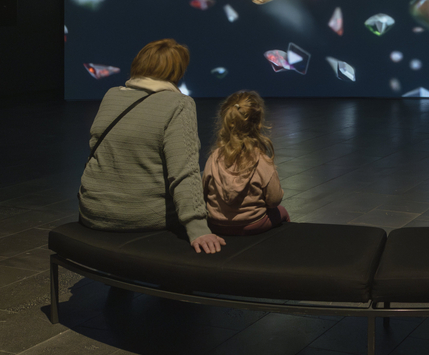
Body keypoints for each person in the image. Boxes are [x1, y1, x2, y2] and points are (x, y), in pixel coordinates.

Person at [78, 39, 226, 254]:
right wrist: (198, 228)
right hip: (140, 216)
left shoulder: (112, 94)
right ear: (177, 71)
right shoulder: (179, 104)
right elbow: (184, 171)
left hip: (92, 211)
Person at [202, 91, 290, 236]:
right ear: (258, 124)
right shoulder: (261, 160)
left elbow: (204, 192)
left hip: (215, 224)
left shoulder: (214, 157)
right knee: (282, 212)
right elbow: (274, 200)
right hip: (254, 223)